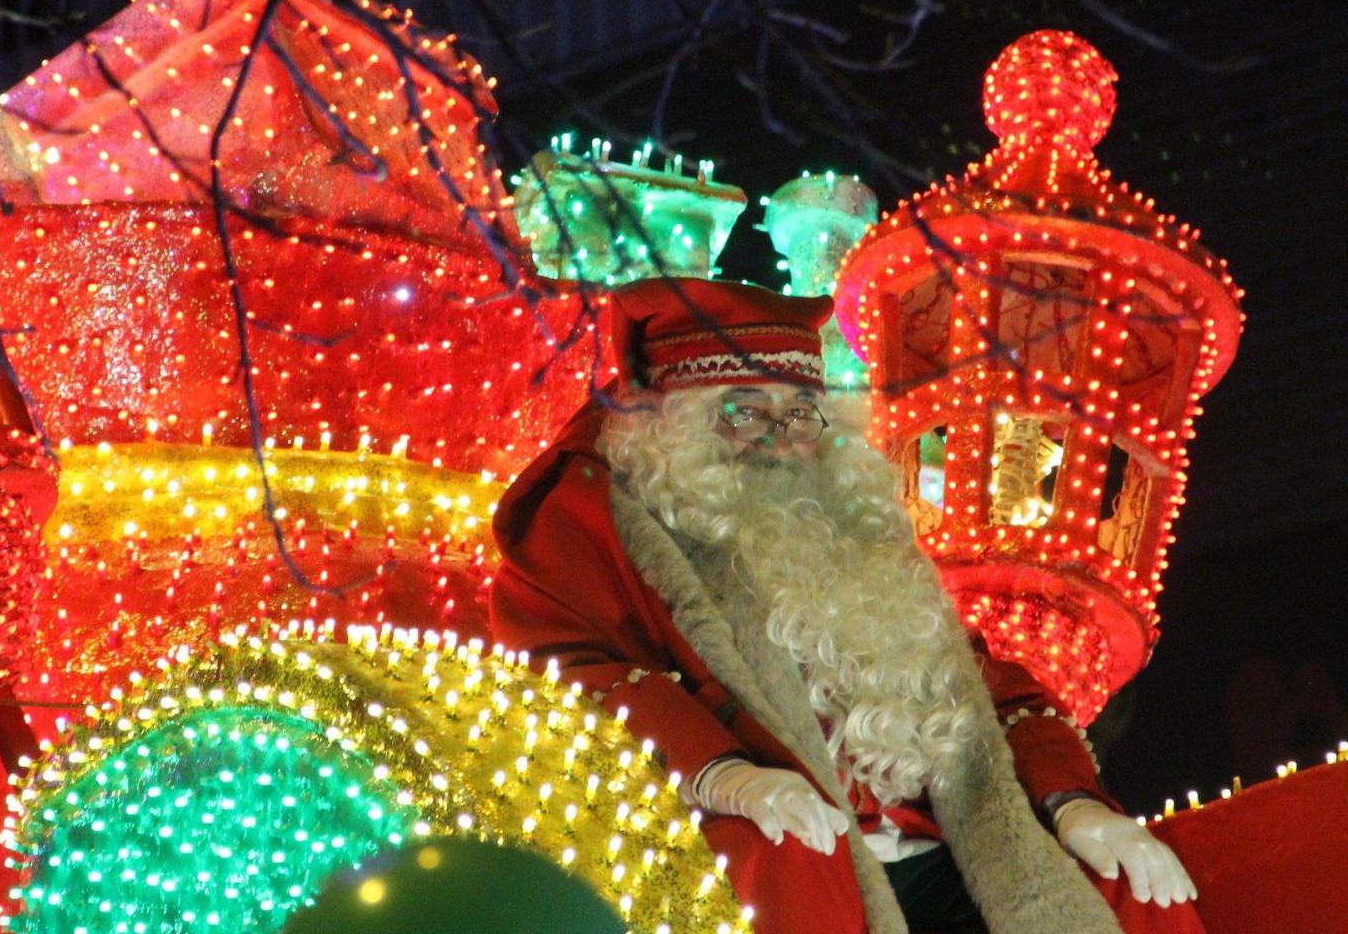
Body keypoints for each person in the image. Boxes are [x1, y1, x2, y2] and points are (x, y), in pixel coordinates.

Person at [490, 277, 1204, 934]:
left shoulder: (853, 539)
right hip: (780, 839)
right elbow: (566, 671)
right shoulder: (597, 523)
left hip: (940, 846)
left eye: (802, 415)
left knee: (1121, 880)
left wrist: (1073, 801)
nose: (780, 438)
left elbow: (986, 690)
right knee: (791, 858)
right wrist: (723, 774)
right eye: (746, 412)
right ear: (680, 425)